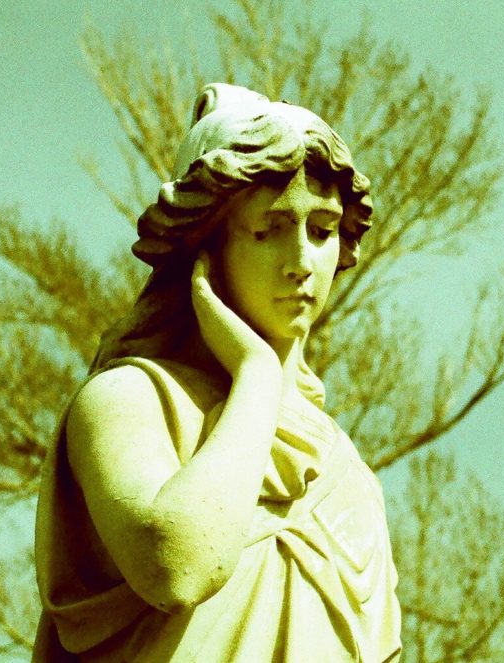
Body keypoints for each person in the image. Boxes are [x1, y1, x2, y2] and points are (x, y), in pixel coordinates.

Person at [34, 83, 401, 662]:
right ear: (202, 244)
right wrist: (257, 375)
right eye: (268, 229)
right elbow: (177, 565)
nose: (302, 260)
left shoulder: (348, 477)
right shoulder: (128, 401)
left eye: (323, 230)